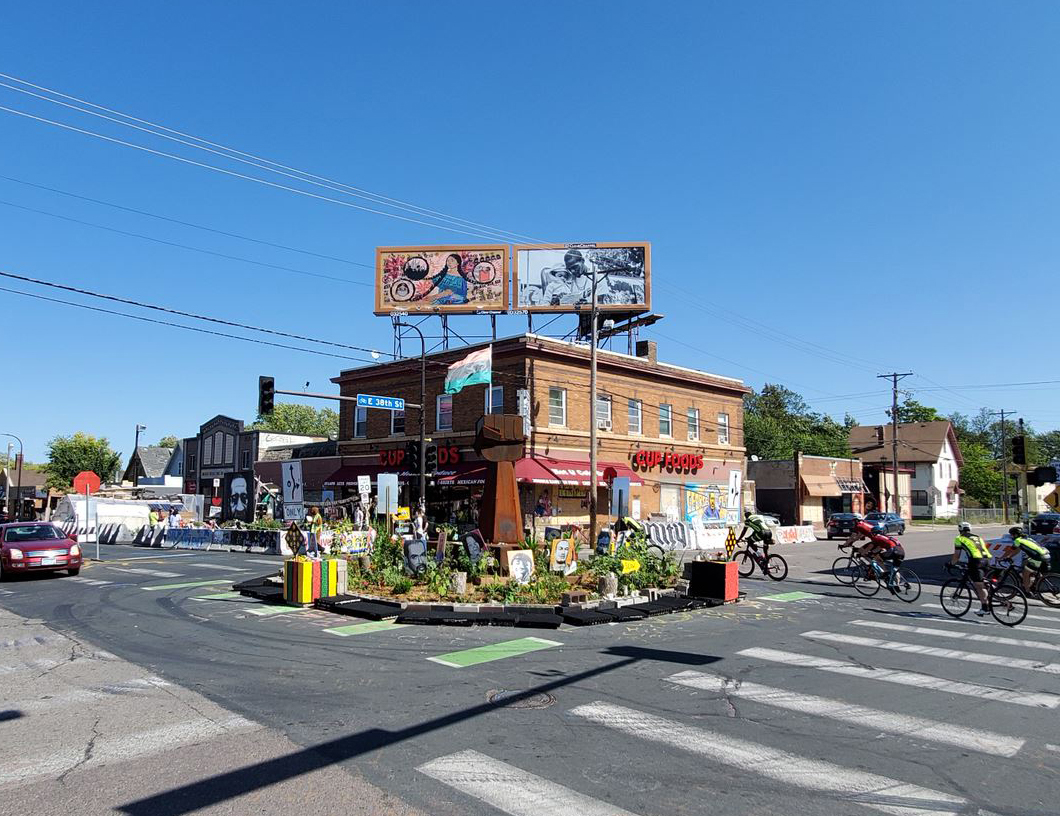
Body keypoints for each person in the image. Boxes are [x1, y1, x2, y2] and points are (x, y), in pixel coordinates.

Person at [950, 522, 992, 616]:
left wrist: (950, 564)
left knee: (978, 586)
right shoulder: (978, 537)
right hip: (986, 560)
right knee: (980, 582)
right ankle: (990, 592)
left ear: (960, 529)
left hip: (976, 562)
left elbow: (957, 555)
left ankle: (985, 608)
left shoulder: (959, 538)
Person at [1001, 526, 1052, 593]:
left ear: (1015, 534)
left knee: (1025, 573)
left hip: (1038, 558)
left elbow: (1011, 550)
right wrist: (1009, 557)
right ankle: (1036, 580)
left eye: (1012, 535)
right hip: (1046, 555)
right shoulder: (1027, 538)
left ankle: (1027, 591)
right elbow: (1017, 550)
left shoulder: (1018, 540)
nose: (1011, 536)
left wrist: (1001, 557)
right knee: (1027, 563)